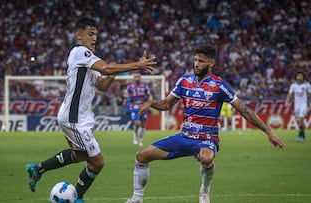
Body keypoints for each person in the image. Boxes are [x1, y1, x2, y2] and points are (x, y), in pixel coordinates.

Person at [125, 44, 286, 203]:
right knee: (141, 156)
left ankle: (204, 190)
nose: (196, 64)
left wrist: (269, 132)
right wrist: (151, 103)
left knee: (207, 158)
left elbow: (244, 110)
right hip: (184, 136)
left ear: (211, 63)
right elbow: (166, 104)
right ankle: (137, 199)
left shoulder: (220, 86)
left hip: (206, 139)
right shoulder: (185, 81)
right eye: (195, 60)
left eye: (201, 61)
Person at [26, 17, 157, 203]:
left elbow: (102, 84)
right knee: (97, 161)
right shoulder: (79, 52)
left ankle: (38, 169)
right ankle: (77, 196)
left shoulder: (89, 59)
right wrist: (136, 65)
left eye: (96, 34)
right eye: (90, 33)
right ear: (78, 35)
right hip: (74, 118)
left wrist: (118, 71)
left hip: (80, 118)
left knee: (82, 155)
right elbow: (106, 68)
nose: (94, 37)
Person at [125, 71, 153, 146]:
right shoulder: (130, 87)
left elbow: (149, 95)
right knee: (137, 123)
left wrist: (150, 100)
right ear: (133, 78)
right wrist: (126, 96)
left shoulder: (145, 86)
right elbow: (126, 94)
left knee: (143, 125)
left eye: (138, 77)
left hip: (143, 106)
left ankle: (140, 140)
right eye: (135, 77)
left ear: (140, 78)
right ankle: (135, 137)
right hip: (134, 106)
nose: (137, 78)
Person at [285, 71, 311, 142]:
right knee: (299, 120)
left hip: (304, 104)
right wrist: (287, 101)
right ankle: (303, 135)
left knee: (301, 117)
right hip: (296, 105)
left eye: (301, 76)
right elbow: (290, 94)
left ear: (303, 77)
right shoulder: (293, 85)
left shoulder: (307, 85)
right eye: (298, 76)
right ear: (296, 77)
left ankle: (300, 135)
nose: (299, 77)